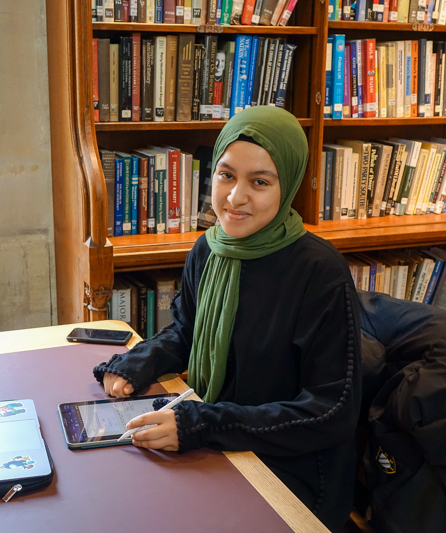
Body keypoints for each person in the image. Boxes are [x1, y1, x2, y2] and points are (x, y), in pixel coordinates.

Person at [92, 106, 361, 531]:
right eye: (226, 175)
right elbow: (185, 330)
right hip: (218, 440)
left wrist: (203, 423)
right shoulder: (209, 248)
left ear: (287, 185)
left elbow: (331, 410)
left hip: (292, 470)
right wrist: (136, 363)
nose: (235, 198)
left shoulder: (319, 271)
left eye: (259, 182)